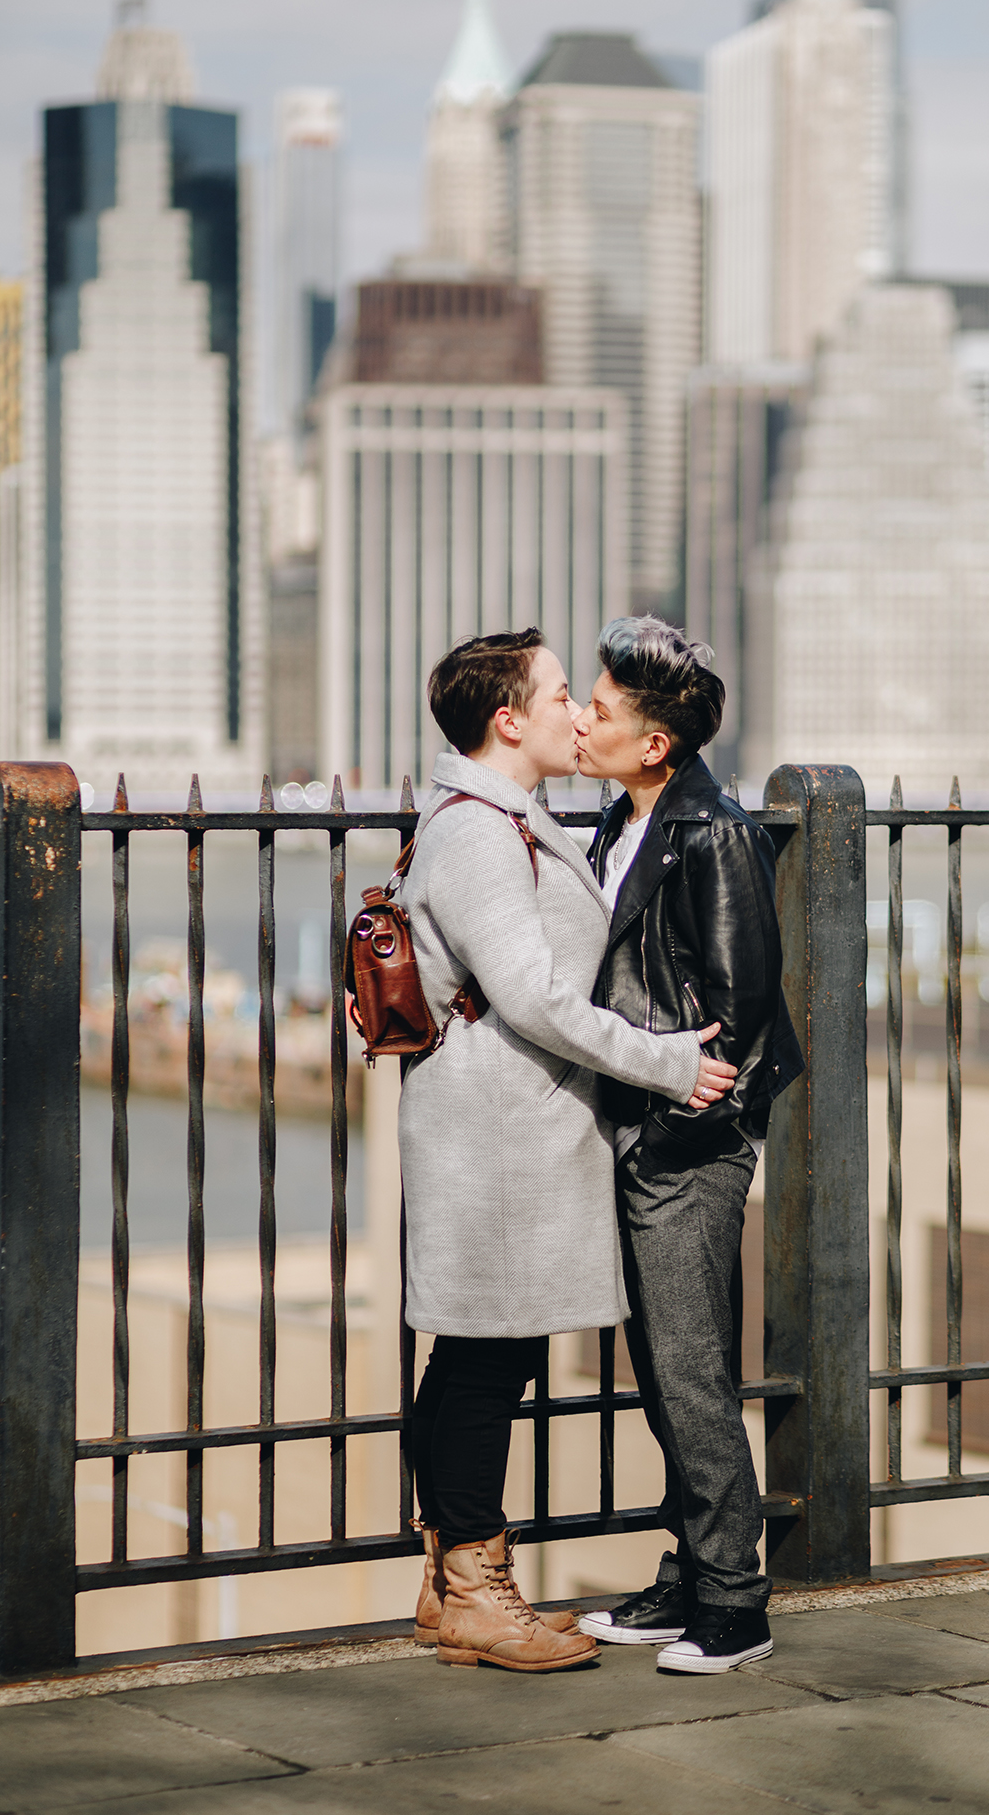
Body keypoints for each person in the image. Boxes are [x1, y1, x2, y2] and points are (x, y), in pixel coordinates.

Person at [398, 627, 738, 1673]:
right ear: (508, 718)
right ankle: (473, 1587)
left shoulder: (509, 819)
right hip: (496, 1134)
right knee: (483, 1357)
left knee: (480, 1352)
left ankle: (455, 1577)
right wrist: (669, 1064)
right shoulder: (478, 831)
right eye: (556, 693)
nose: (574, 711)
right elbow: (537, 996)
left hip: (519, 1129)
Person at [573, 616, 804, 1674]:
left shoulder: (709, 829)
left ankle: (735, 1600)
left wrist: (678, 1131)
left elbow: (743, 1002)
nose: (583, 718)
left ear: (655, 741)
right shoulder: (623, 818)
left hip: (684, 1144)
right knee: (663, 1372)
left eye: (604, 709)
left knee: (693, 1369)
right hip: (638, 1130)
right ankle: (693, 1567)